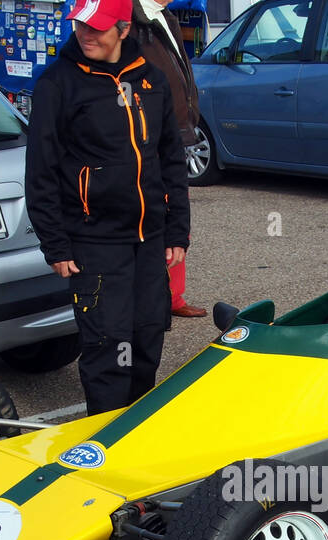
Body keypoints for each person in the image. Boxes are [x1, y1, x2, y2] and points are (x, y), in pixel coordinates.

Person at [25, 0, 190, 415]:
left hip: (149, 240)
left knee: (147, 338)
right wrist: (56, 245)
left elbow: (171, 158)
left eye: (96, 27)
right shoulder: (58, 84)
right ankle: (105, 443)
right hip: (94, 243)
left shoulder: (150, 79)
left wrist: (177, 231)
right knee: (107, 348)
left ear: (122, 28)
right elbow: (41, 172)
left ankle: (136, 431)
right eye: (80, 25)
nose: (85, 34)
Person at [131, 0, 206, 317]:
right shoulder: (133, 20)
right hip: (149, 136)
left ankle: (174, 297)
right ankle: (152, 298)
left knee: (177, 213)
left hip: (174, 131)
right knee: (151, 214)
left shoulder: (164, 17)